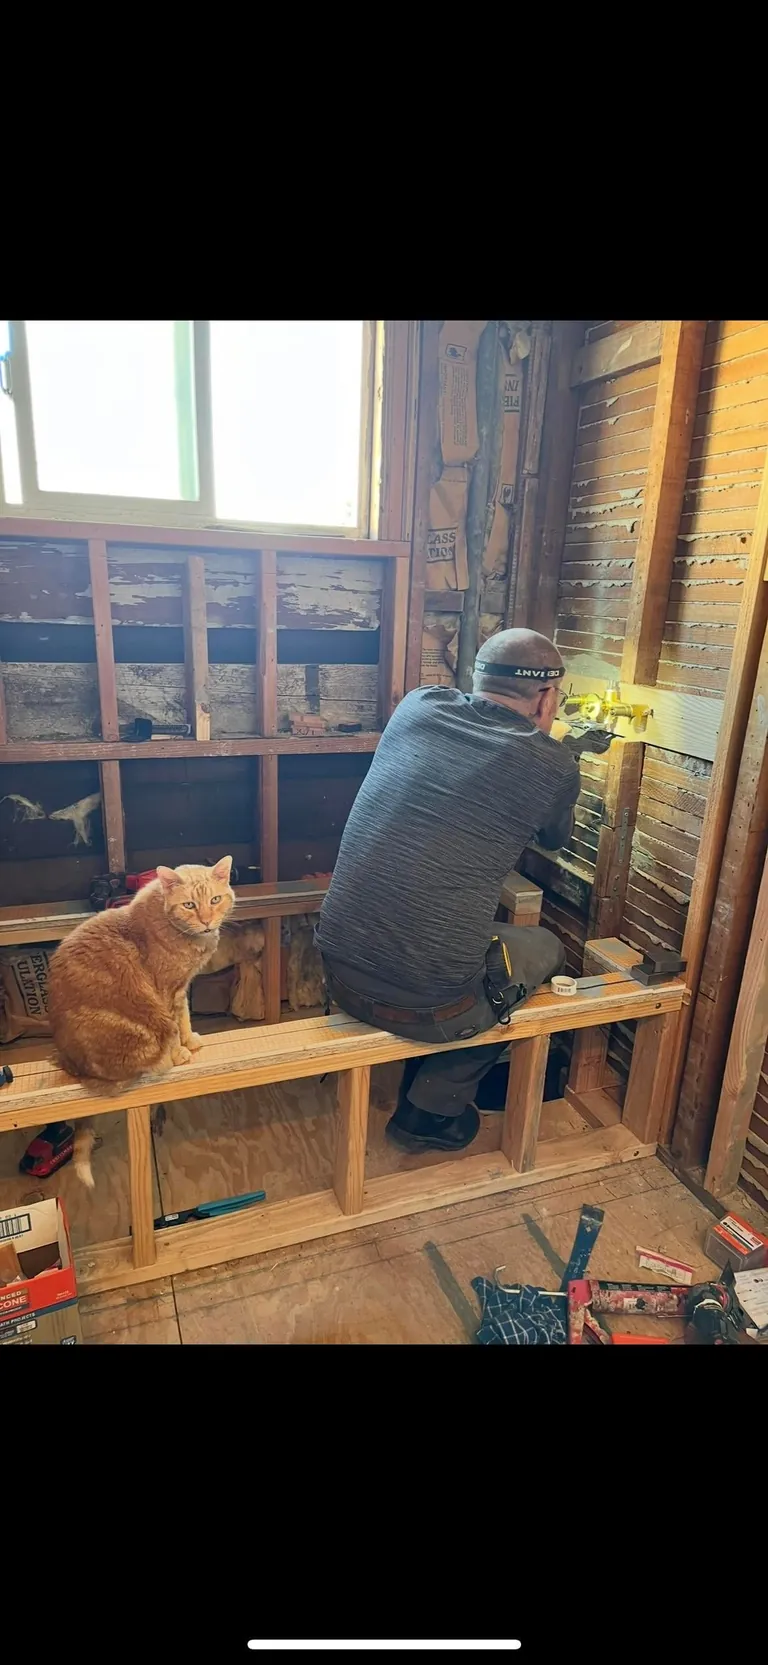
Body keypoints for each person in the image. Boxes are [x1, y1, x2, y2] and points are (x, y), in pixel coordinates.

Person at [316, 628, 603, 1155]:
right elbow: (554, 839)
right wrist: (561, 752)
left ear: (475, 677)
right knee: (545, 947)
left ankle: (431, 1066)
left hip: (337, 968)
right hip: (428, 1000)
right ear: (546, 698)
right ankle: (431, 1111)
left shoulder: (418, 706)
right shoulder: (551, 763)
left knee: (455, 937)